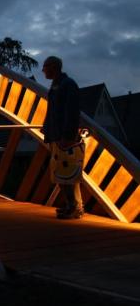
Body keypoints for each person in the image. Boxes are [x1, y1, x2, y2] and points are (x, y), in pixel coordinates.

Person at [41, 56, 84, 219]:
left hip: (62, 137)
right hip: (56, 135)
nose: (43, 70)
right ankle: (72, 205)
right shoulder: (60, 85)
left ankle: (74, 207)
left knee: (66, 171)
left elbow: (71, 112)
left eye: (45, 67)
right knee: (64, 171)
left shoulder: (66, 85)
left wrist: (67, 136)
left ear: (53, 67)